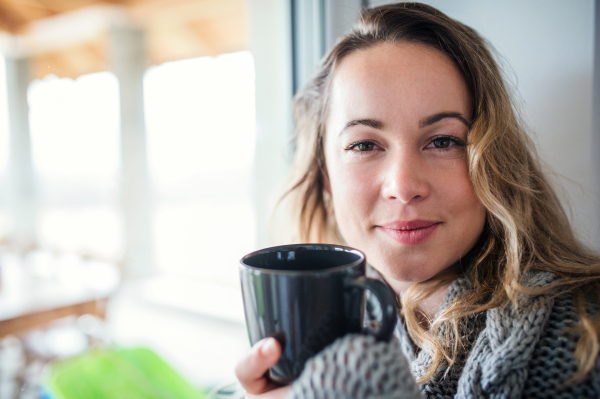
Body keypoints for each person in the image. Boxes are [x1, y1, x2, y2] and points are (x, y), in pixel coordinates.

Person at [235, 3, 600, 398]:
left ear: (492, 159)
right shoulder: (323, 350)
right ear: (325, 174)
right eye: (364, 145)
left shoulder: (584, 341)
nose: (404, 185)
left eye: (442, 141)